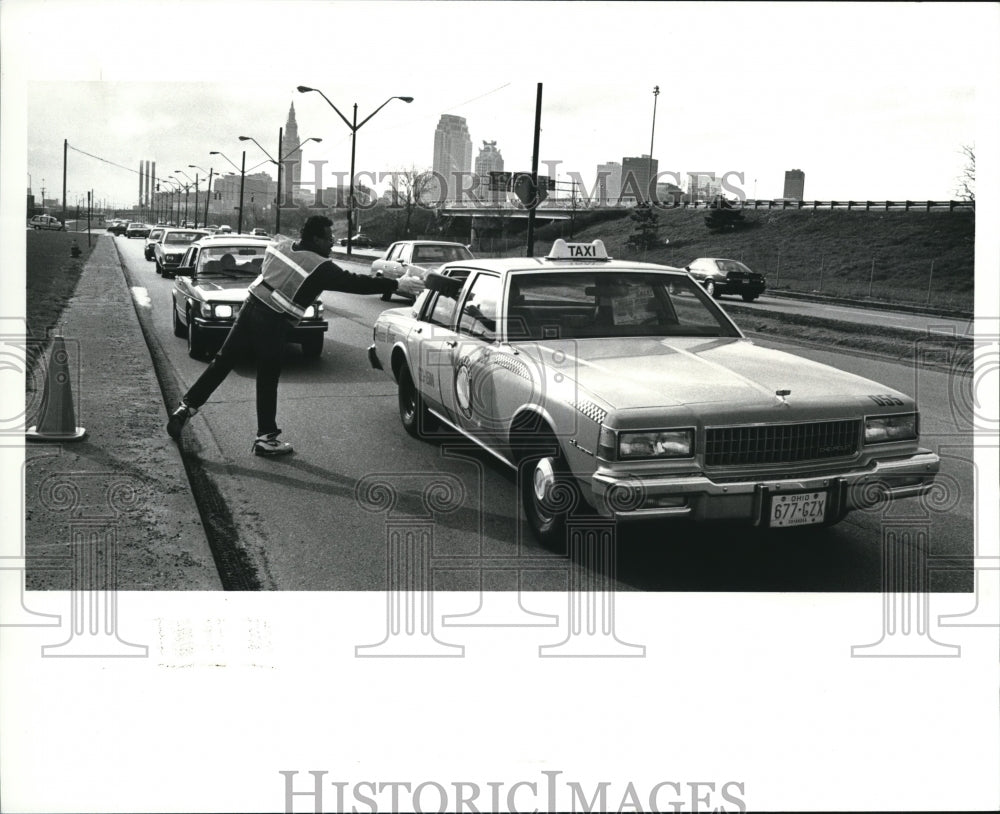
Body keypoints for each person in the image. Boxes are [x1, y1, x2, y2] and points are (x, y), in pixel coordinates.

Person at [166, 216, 422, 456]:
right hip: (274, 320)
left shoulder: (280, 246)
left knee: (222, 362)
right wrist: (396, 284)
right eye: (328, 237)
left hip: (249, 308)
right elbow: (355, 283)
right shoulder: (319, 267)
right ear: (315, 239)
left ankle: (185, 409)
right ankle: (266, 437)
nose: (332, 241)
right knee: (267, 376)